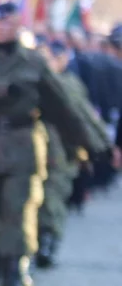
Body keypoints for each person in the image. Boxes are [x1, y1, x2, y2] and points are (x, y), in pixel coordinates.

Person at [0, 2, 109, 286]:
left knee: (16, 213)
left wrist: (90, 145)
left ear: (18, 25)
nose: (2, 28)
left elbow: (63, 107)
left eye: (8, 23)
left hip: (20, 145)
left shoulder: (33, 62)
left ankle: (12, 274)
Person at [36, 39, 110, 267]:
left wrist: (102, 145)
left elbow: (84, 115)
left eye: (53, 58)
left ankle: (48, 242)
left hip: (61, 150)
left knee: (54, 198)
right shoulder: (33, 83)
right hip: (33, 150)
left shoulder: (69, 83)